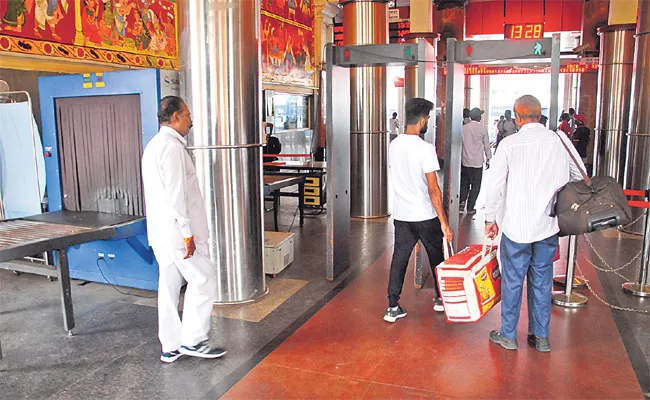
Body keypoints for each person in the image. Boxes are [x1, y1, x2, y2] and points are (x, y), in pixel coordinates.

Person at [484, 95, 584, 353]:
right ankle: (540, 337)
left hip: (517, 226)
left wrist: (490, 219)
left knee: (513, 280)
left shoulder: (509, 144)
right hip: (548, 226)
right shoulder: (559, 140)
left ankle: (508, 334)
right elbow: (579, 174)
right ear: (540, 116)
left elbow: (494, 185)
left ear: (517, 117)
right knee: (542, 280)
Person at [142, 96, 226, 363]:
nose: (191, 120)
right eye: (188, 115)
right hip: (178, 233)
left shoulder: (154, 145)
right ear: (176, 116)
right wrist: (188, 233)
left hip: (160, 231)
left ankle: (171, 345)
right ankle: (194, 340)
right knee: (203, 279)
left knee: (168, 286)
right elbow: (176, 195)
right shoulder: (172, 148)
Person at [384, 97, 453, 322]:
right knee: (436, 257)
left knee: (399, 258)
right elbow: (434, 189)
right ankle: (441, 299)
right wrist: (443, 222)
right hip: (425, 214)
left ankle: (392, 306)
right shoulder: (425, 149)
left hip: (402, 215)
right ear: (423, 121)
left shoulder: (394, 145)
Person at [460, 107, 491, 214]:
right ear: (478, 117)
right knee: (475, 185)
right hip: (477, 162)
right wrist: (488, 158)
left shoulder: (463, 128)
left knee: (464, 183)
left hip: (465, 161)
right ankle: (470, 207)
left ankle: (461, 204)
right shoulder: (482, 129)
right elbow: (487, 145)